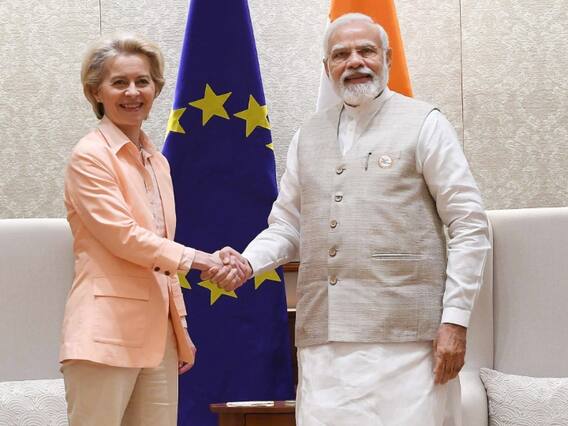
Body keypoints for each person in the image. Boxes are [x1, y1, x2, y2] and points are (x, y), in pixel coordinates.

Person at [207, 13, 491, 426]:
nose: (354, 61)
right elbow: (287, 226)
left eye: (366, 51)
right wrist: (248, 262)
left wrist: (455, 321)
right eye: (341, 54)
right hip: (324, 346)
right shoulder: (308, 135)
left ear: (387, 58)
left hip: (407, 345)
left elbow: (469, 226)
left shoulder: (426, 123)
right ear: (327, 68)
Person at [60, 34, 242, 426]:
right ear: (96, 92)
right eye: (119, 82)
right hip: (104, 334)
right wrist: (205, 261)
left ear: (156, 89)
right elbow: (125, 237)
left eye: (142, 81)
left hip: (158, 338)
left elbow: (160, 253)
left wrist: (180, 328)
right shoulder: (89, 156)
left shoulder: (157, 162)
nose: (133, 92)